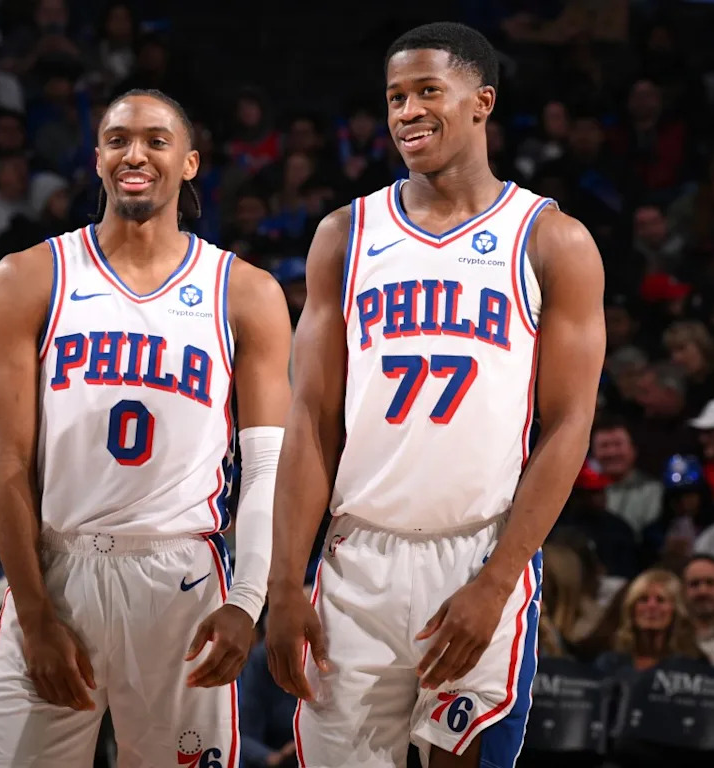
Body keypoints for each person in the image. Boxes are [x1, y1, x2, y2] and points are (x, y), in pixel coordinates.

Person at [265, 22, 605, 768]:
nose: (407, 111)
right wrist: (283, 582)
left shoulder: (551, 240)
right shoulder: (345, 235)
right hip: (356, 557)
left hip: (476, 551)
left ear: (482, 101)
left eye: (427, 92)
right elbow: (311, 423)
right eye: (394, 98)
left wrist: (499, 579)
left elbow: (570, 425)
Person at [0, 88, 291, 767]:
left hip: (182, 580)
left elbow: (266, 467)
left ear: (191, 162)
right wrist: (34, 617)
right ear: (97, 159)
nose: (134, 154)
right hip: (62, 570)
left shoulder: (245, 292)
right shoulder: (29, 278)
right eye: (117, 140)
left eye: (154, 139)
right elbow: (4, 465)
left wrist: (249, 600)